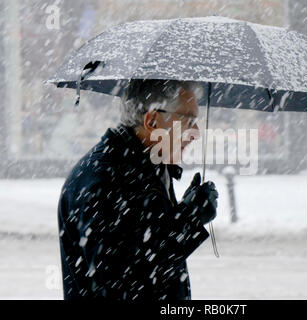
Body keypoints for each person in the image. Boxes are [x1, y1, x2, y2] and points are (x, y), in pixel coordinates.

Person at [57, 79, 218, 300]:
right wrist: (187, 222)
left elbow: (147, 251)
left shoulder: (148, 168)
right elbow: (121, 285)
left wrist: (183, 214)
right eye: (188, 122)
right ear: (152, 121)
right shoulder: (103, 180)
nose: (196, 133)